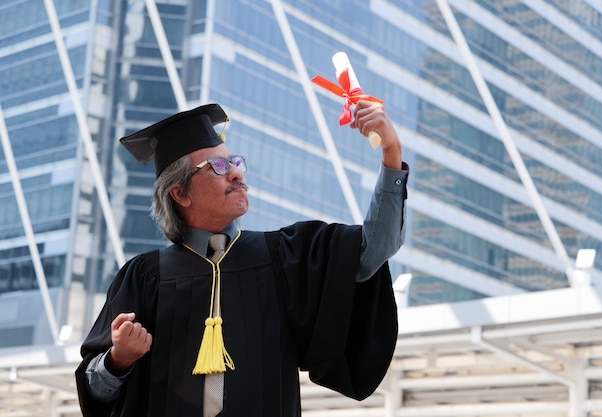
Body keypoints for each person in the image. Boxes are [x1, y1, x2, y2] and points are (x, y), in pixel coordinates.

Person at [75, 101, 408, 417]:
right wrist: (118, 359)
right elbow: (95, 391)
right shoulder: (146, 276)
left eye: (235, 162)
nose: (236, 173)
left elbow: (373, 249)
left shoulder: (283, 256)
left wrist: (391, 154)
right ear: (180, 193)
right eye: (218, 166)